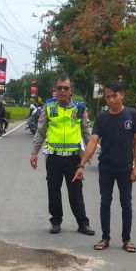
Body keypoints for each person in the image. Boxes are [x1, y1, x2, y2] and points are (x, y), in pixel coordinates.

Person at [74, 80, 136, 253]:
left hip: (125, 168)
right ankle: (105, 237)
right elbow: (93, 141)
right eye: (108, 97)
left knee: (126, 203)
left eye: (115, 96)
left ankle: (127, 239)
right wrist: (81, 164)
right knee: (105, 202)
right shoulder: (102, 117)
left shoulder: (132, 115)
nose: (111, 100)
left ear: (122, 95)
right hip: (106, 168)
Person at [29, 75, 94, 235]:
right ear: (55, 90)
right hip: (54, 157)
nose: (63, 91)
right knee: (53, 191)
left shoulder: (80, 108)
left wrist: (89, 152)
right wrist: (34, 152)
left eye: (66, 88)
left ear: (71, 91)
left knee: (76, 192)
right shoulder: (48, 107)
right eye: (60, 88)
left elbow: (86, 131)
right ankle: (56, 221)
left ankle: (83, 223)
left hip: (73, 158)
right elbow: (41, 131)